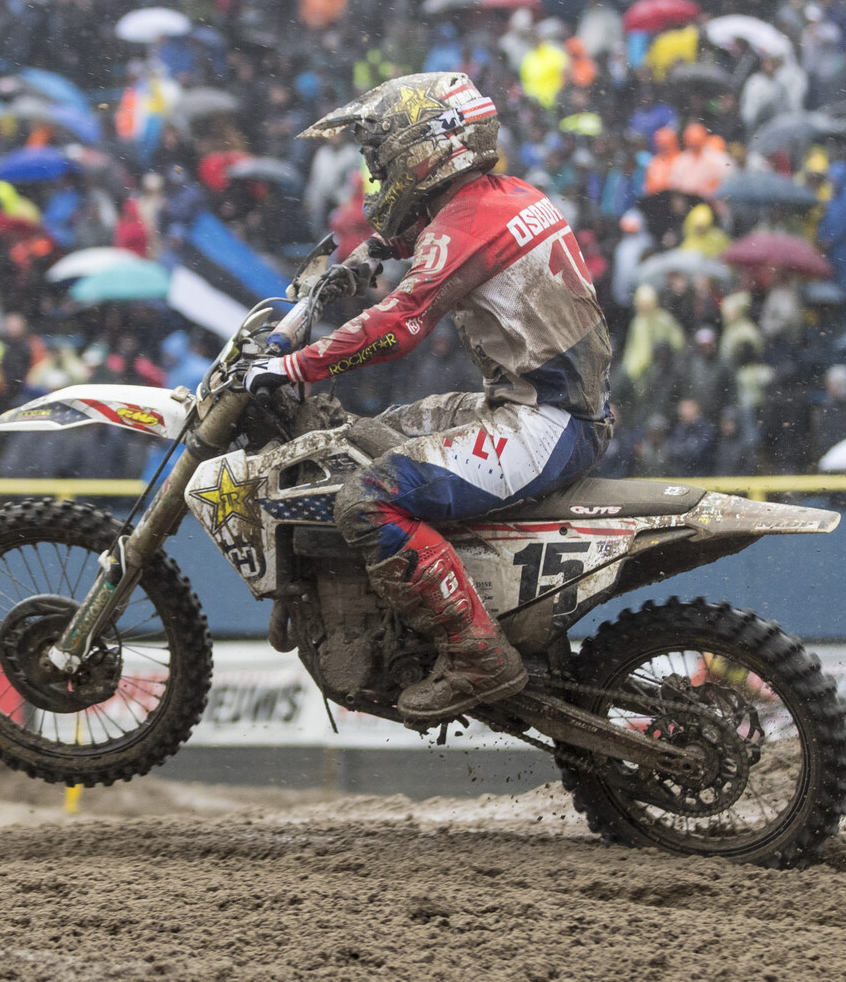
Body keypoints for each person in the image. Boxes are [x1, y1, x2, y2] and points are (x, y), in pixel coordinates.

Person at [240, 73, 611, 725]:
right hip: (534, 406)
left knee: (368, 498)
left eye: (380, 162)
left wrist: (296, 364)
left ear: (424, 149)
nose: (378, 177)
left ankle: (477, 655)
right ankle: (321, 593)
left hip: (543, 421)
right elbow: (418, 246)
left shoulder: (469, 220)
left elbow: (398, 324)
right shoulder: (496, 199)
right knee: (359, 441)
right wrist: (366, 256)